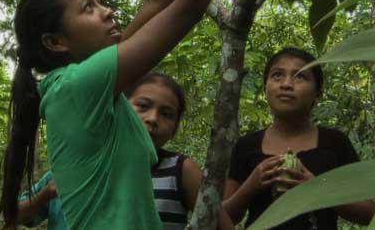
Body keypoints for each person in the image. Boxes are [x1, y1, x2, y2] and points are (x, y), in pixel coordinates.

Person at [0, 0, 261, 230]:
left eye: (99, 1)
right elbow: (185, 10)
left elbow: (158, 1)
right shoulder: (76, 86)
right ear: (55, 42)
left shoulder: (91, 86)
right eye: (88, 7)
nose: (107, 11)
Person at [16, 72, 237, 230]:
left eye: (167, 114)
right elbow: (15, 214)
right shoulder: (74, 163)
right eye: (142, 106)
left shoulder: (180, 170)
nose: (152, 119)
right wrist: (47, 194)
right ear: (118, 109)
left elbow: (222, 224)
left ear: (175, 129)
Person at [221, 48, 375, 229]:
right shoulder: (246, 145)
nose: (286, 84)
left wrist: (316, 190)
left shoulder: (335, 142)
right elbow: (225, 218)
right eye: (277, 76)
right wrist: (251, 185)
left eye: (300, 76)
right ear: (265, 89)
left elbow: (369, 214)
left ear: (317, 94)